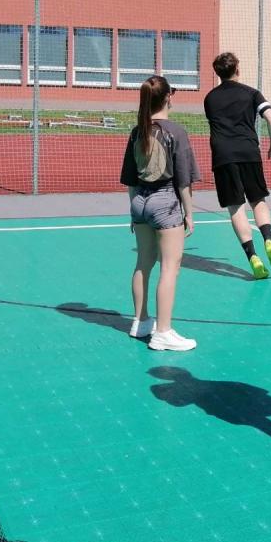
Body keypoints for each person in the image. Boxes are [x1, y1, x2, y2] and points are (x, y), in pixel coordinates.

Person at [119, 75, 201, 352]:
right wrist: (189, 213)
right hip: (165, 201)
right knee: (170, 267)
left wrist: (134, 212)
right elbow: (184, 181)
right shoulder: (175, 132)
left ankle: (141, 322)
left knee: (143, 263)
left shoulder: (137, 131)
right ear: (168, 97)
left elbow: (130, 179)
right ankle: (163, 332)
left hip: (139, 202)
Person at [203, 52, 271, 280]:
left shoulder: (210, 99)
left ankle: (253, 257)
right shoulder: (252, 93)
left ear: (217, 73)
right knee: (258, 200)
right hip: (249, 152)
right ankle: (269, 239)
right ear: (237, 69)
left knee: (236, 207)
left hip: (223, 156)